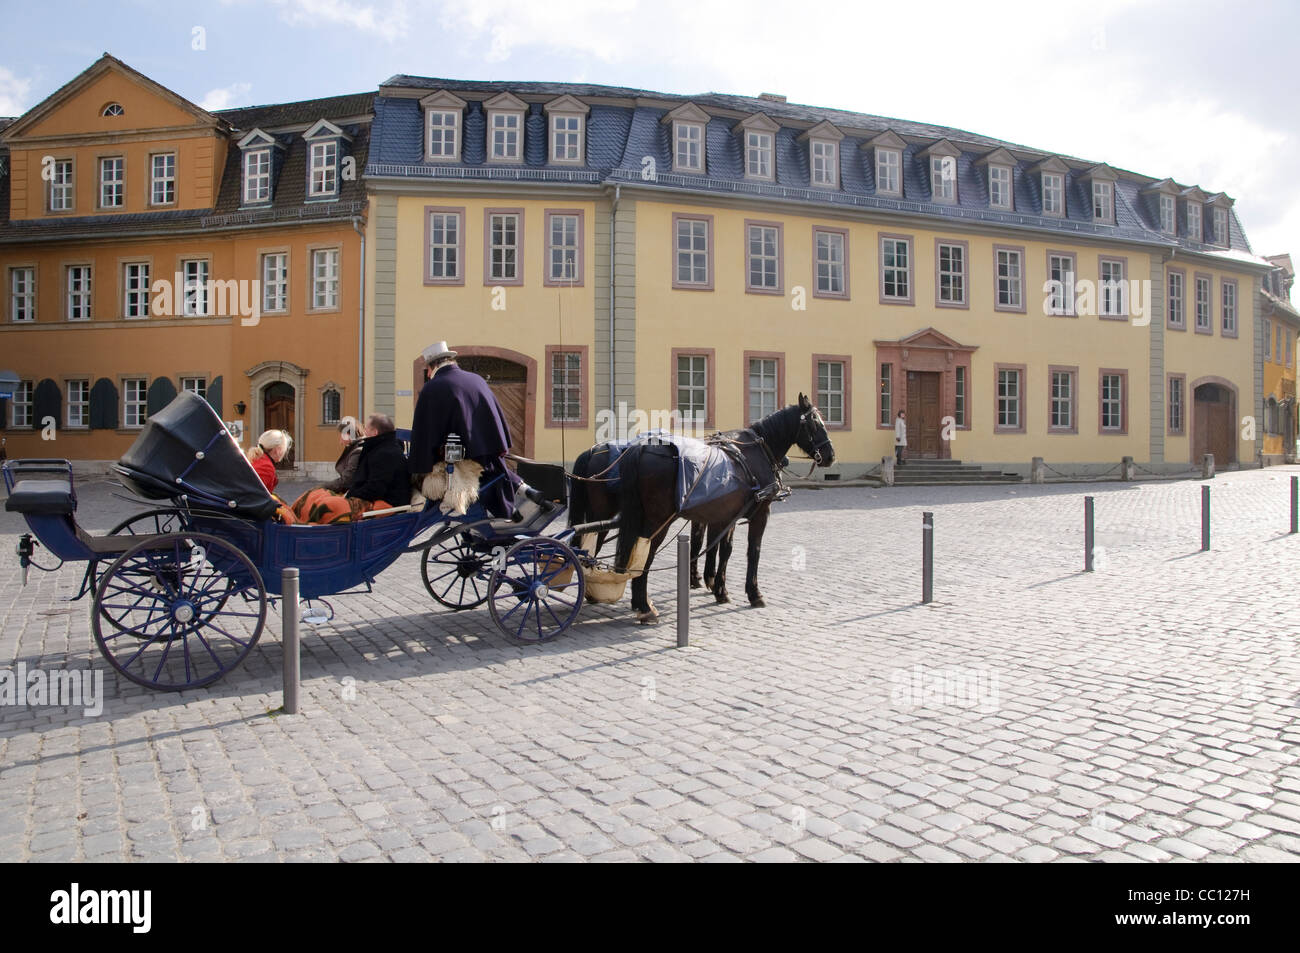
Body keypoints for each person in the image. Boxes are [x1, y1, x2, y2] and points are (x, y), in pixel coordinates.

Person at [410, 340, 520, 518]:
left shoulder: (433, 388)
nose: (429, 375)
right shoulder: (476, 379)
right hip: (487, 453)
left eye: (428, 370)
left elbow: (426, 432)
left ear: (433, 366)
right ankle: (516, 502)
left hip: (460, 460)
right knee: (499, 474)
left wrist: (419, 465)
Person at [289, 415, 410, 524]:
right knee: (316, 495)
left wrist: (349, 495)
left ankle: (307, 527)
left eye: (366, 428)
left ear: (374, 432)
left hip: (385, 502)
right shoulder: (381, 448)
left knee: (328, 505)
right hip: (372, 496)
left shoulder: (386, 453)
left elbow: (375, 488)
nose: (364, 431)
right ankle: (295, 520)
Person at [321, 417, 364, 493]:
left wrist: (322, 487)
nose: (340, 441)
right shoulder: (357, 447)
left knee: (315, 497)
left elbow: (346, 481)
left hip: (355, 493)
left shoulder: (357, 451)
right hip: (354, 490)